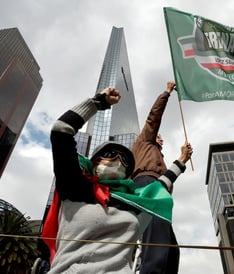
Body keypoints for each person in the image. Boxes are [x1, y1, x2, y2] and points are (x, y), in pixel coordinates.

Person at [41, 87, 193, 274]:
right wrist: (99, 102)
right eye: (110, 154)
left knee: (170, 249)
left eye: (124, 161)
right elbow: (61, 131)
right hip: (143, 182)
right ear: (94, 163)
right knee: (156, 242)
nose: (118, 161)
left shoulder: (131, 204)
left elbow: (161, 185)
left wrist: (181, 161)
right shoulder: (75, 187)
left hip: (143, 192)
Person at [131, 81, 186, 274]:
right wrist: (167, 93)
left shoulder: (157, 156)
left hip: (158, 190)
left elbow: (166, 180)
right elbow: (153, 119)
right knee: (156, 248)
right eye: (159, 136)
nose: (161, 138)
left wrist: (181, 159)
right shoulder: (144, 141)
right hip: (147, 187)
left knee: (171, 251)